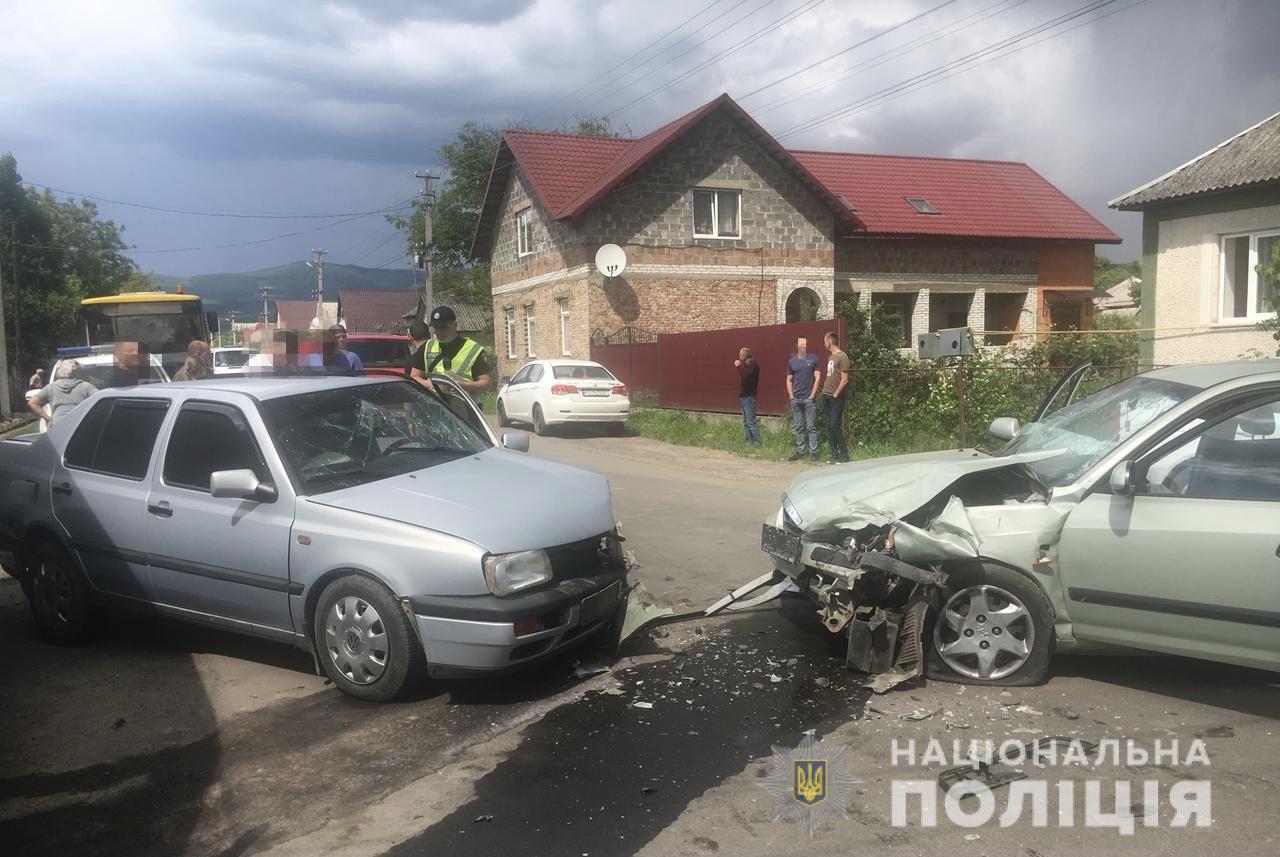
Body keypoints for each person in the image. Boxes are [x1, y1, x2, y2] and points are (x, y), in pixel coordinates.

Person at [411, 306, 492, 394]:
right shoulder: (427, 347)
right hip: (434, 405)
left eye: (443, 327)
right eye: (435, 327)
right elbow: (414, 376)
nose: (438, 332)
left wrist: (463, 386)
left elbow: (486, 382)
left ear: (455, 325)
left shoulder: (473, 350)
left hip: (463, 405)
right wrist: (428, 384)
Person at [28, 360, 97, 427]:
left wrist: (48, 419)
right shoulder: (86, 386)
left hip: (57, 427)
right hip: (79, 426)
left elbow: (32, 402)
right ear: (76, 372)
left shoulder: (51, 387)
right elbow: (103, 400)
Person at [786, 336, 822, 462]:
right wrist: (791, 396)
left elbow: (818, 377)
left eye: (805, 344)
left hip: (808, 399)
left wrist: (812, 395)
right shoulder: (792, 361)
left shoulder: (813, 359)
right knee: (798, 426)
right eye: (801, 344)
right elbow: (789, 379)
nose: (804, 346)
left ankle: (813, 452)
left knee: (810, 426)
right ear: (797, 346)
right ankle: (800, 451)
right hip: (796, 399)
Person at [821, 331, 850, 463]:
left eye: (825, 341)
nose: (824, 344)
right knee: (828, 425)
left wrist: (836, 394)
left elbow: (844, 379)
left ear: (830, 342)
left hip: (836, 397)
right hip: (826, 395)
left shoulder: (842, 357)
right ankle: (834, 455)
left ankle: (844, 455)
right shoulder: (830, 357)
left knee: (835, 425)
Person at [735, 347, 761, 446]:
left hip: (749, 397)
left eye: (740, 354)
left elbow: (745, 377)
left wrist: (738, 367)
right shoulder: (745, 365)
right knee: (745, 421)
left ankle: (757, 442)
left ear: (745, 355)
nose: (739, 356)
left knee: (751, 421)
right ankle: (748, 442)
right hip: (743, 396)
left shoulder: (753, 365)